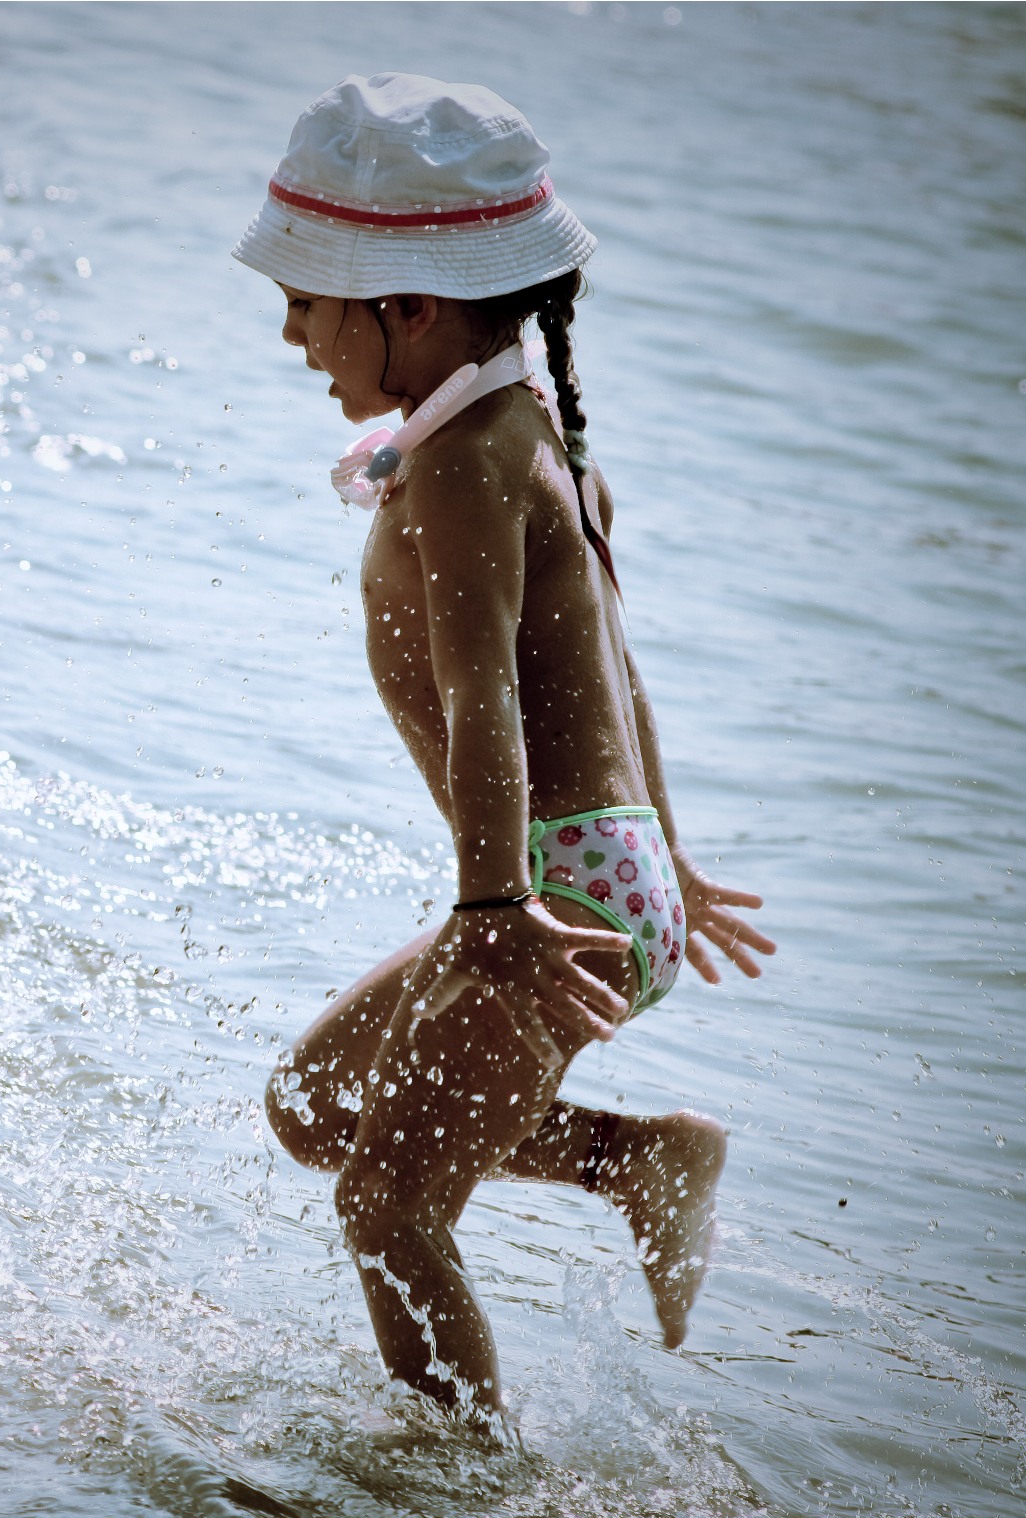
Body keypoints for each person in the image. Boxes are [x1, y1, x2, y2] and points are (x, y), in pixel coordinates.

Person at [232, 74, 777, 1424]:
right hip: (591, 869)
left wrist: (492, 907)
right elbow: (619, 671)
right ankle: (635, 1163)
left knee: (389, 1204)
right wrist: (668, 859)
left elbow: (487, 695)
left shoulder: (477, 458)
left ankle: (460, 1493)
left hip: (548, 888)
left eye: (310, 301)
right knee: (314, 1100)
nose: (295, 333)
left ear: (407, 307)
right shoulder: (530, 435)